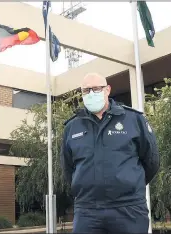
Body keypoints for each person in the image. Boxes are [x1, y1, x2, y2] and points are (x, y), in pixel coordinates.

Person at [60, 73, 160, 234]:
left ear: (107, 90)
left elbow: (152, 161)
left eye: (96, 89)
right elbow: (67, 167)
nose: (91, 93)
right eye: (86, 90)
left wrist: (129, 183)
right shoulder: (72, 127)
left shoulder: (133, 120)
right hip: (87, 211)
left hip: (128, 209)